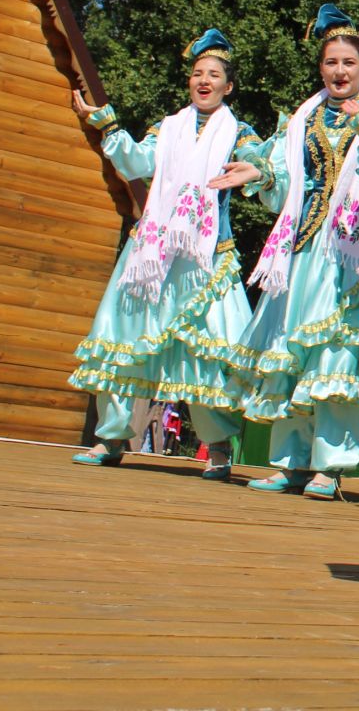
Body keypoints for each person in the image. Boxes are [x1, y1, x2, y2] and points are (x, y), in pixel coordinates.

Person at [69, 30, 261, 479]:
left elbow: (261, 164)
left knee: (212, 349)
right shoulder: (168, 126)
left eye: (214, 74)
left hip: (205, 256)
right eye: (197, 73)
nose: (204, 80)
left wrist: (260, 169)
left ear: (228, 87)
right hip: (153, 252)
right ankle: (112, 436)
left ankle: (216, 446)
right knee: (124, 336)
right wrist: (109, 126)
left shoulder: (240, 133)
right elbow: (137, 163)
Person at [213, 4, 359, 502]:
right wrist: (258, 173)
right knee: (287, 353)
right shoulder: (302, 120)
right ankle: (290, 463)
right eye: (331, 63)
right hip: (301, 249)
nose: (339, 72)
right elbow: (283, 175)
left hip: (347, 253)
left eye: (349, 63)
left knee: (336, 356)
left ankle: (330, 466)